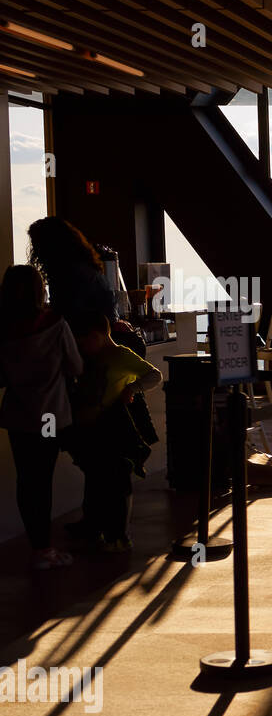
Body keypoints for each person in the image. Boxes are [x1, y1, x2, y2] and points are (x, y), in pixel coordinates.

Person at [0, 265, 83, 569]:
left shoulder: (3, 326)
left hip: (18, 416)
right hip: (49, 417)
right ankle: (45, 550)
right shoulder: (54, 323)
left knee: (26, 480)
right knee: (42, 479)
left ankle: (38, 546)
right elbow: (75, 366)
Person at [65, 312, 162, 552]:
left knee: (115, 482)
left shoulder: (120, 356)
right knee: (96, 480)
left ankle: (117, 534)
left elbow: (154, 375)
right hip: (92, 429)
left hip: (111, 428)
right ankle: (95, 526)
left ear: (96, 336)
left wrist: (132, 387)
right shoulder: (94, 357)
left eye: (84, 342)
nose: (82, 349)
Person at [27, 217, 116, 338]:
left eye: (36, 244)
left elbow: (67, 318)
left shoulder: (68, 275)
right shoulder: (86, 269)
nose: (35, 251)